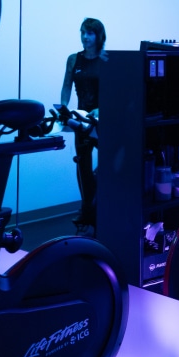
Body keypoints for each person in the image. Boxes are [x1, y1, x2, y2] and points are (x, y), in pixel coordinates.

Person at [60, 17, 107, 232]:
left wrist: (102, 108)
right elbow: (67, 86)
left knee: (107, 166)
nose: (85, 37)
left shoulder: (107, 60)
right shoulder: (73, 59)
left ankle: (103, 207)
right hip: (80, 120)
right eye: (82, 32)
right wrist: (63, 108)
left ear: (98, 36)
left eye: (89, 33)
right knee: (83, 166)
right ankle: (87, 209)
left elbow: (114, 91)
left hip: (102, 120)